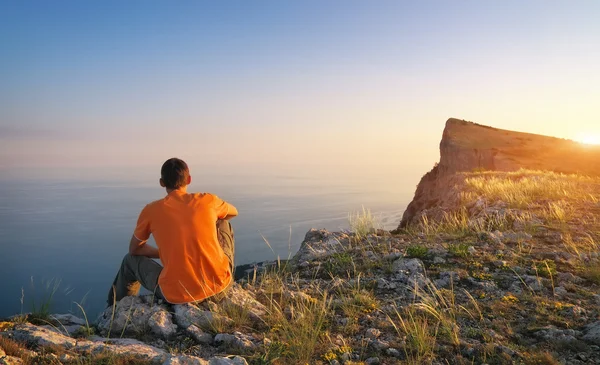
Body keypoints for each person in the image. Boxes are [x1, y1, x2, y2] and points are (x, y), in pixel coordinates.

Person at [107, 158, 238, 306]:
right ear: (189, 179)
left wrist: (165, 252)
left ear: (162, 183)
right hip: (220, 286)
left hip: (177, 294)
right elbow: (233, 212)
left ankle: (115, 310)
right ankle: (219, 271)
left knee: (129, 261)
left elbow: (134, 249)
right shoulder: (208, 200)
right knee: (222, 221)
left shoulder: (151, 210)